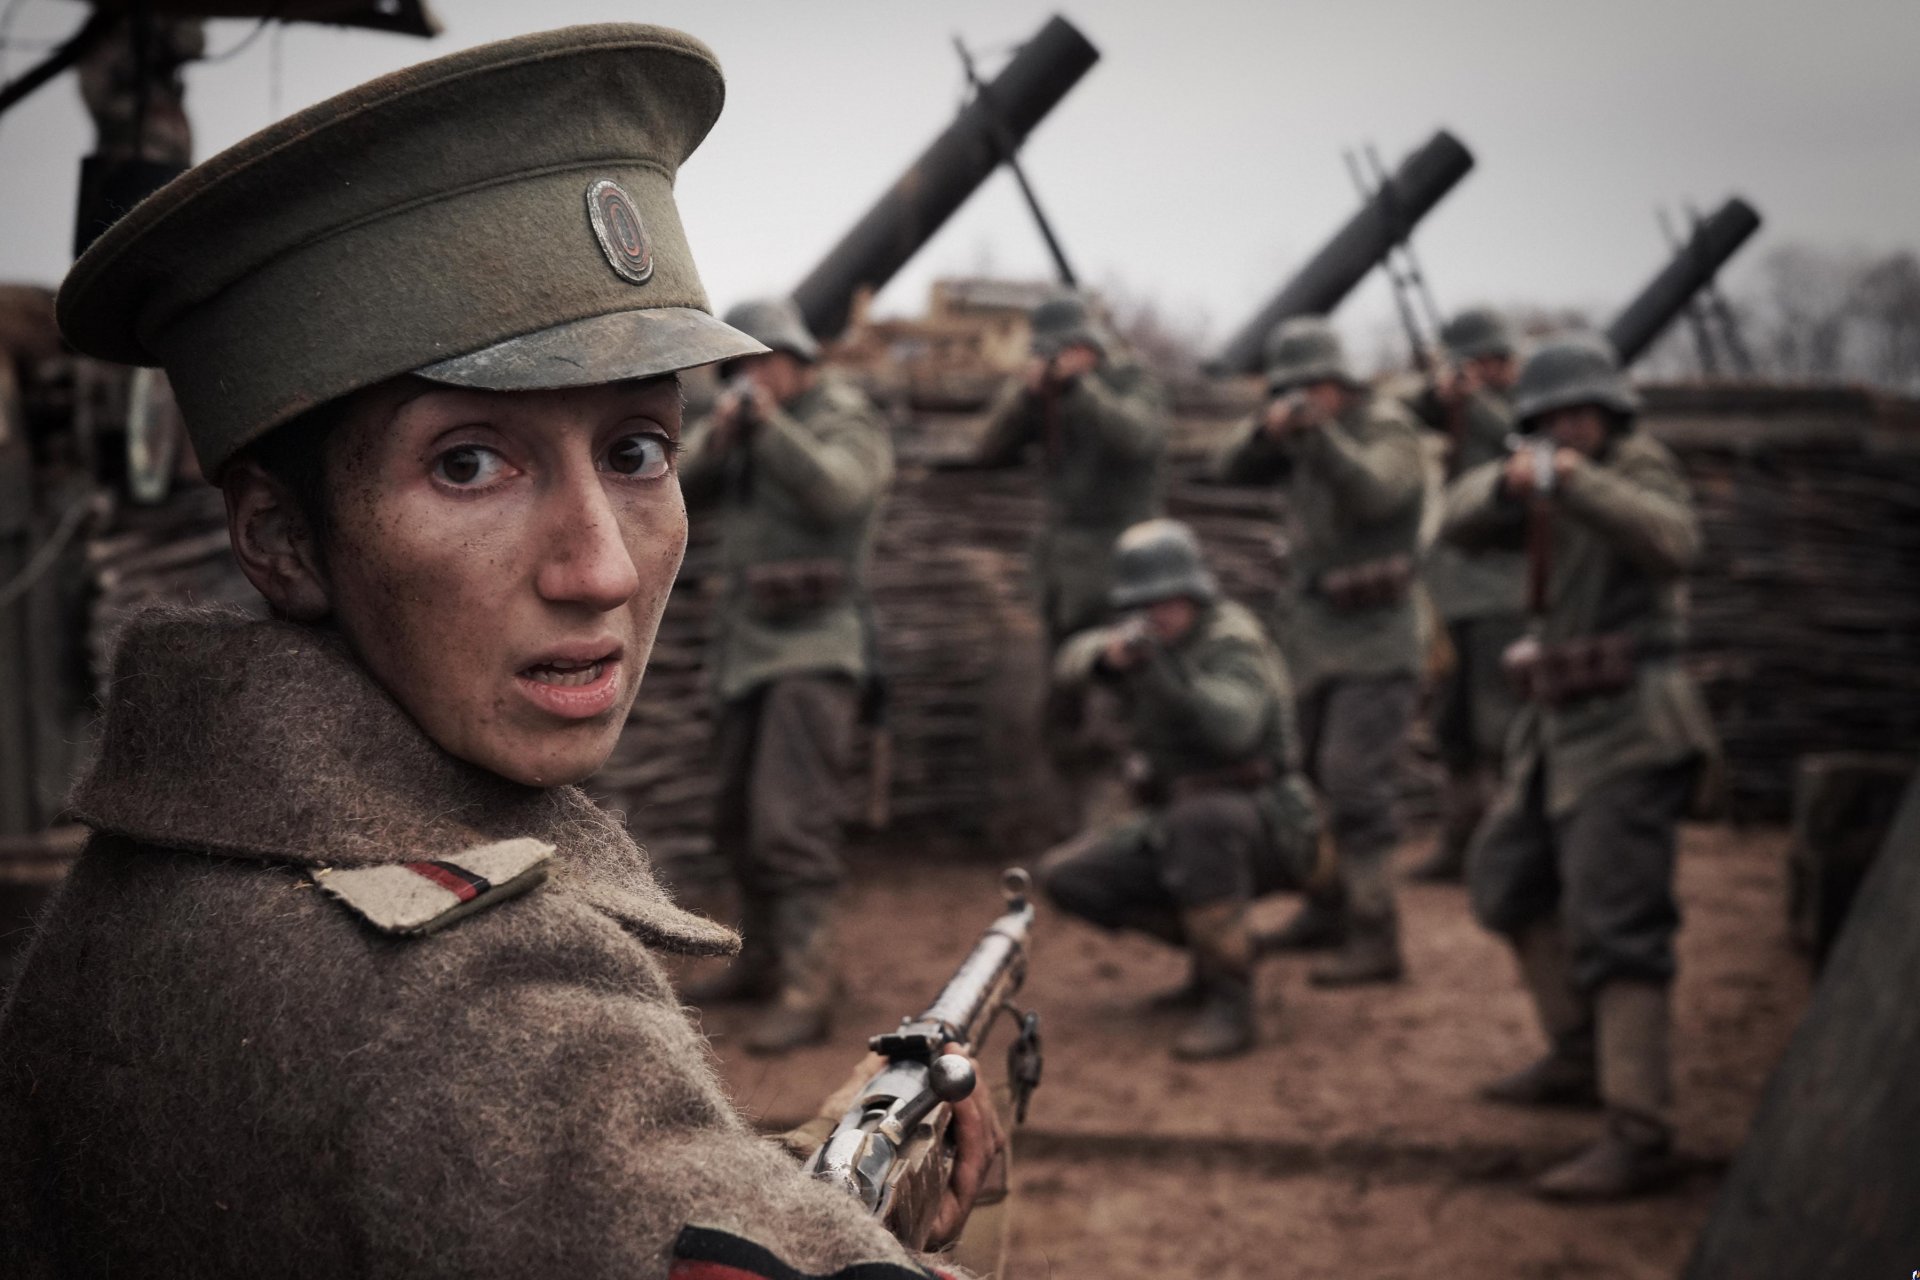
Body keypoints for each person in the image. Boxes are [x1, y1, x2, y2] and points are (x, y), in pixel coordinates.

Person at [0, 27, 1000, 1278]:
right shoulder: (479, 996)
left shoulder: (131, 897)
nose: (603, 568)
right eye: (470, 461)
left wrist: (789, 1198)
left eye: (639, 450)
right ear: (280, 536)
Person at [1438, 332, 1718, 1200]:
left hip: (1633, 727)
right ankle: (1578, 1054)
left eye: (1580, 413)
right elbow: (1456, 520)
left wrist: (1575, 481)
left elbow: (1674, 542)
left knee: (1618, 923)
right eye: (1551, 417)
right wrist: (1511, 480)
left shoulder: (1639, 467)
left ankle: (1640, 1130)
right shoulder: (1544, 481)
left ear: (1611, 411)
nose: (1568, 426)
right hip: (1559, 732)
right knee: (1504, 879)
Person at [675, 297, 892, 1054]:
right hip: (744, 649)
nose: (753, 378)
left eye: (766, 362)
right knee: (736, 818)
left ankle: (810, 984)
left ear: (801, 361)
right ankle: (763, 961)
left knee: (791, 823)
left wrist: (768, 428)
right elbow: (674, 488)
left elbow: (841, 492)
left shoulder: (842, 415)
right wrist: (724, 433)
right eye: (741, 366)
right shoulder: (743, 426)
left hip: (815, 649)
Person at [1036, 520, 1319, 1060]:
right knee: (1071, 877)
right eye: (1143, 603)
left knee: (1202, 824)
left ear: (1193, 592)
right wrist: (1108, 656)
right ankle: (1213, 957)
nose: (1156, 614)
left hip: (1271, 821)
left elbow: (1232, 730)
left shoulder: (1231, 637)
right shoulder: (1146, 639)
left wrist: (1160, 670)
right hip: (1180, 816)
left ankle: (1231, 1001)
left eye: (1166, 601)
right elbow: (1072, 660)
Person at [1215, 316, 1425, 986]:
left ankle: (1376, 930)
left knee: (1355, 779)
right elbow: (1227, 468)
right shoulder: (1299, 437)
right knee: (1303, 776)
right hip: (1311, 640)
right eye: (1291, 391)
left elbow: (1378, 493)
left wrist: (1321, 439)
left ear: (1339, 384)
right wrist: (1266, 433)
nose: (1304, 401)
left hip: (1378, 635)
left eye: (1313, 389)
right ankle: (1326, 907)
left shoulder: (1386, 426)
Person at [961, 292, 1168, 647]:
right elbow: (987, 450)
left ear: (1090, 344)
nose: (1056, 360)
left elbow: (1136, 438)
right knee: (1063, 677)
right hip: (1061, 567)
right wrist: (1026, 398)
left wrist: (1081, 389)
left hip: (1123, 558)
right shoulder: (1045, 393)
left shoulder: (1129, 378)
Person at [1406, 307, 1527, 882]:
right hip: (1448, 595)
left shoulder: (1526, 408)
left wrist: (1472, 403)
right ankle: (1460, 841)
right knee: (1451, 730)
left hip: (1504, 593)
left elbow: (1515, 446)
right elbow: (1397, 411)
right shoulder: (1444, 403)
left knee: (1500, 731)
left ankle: (1510, 850)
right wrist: (1439, 392)